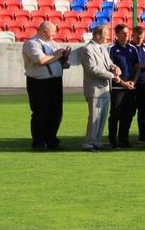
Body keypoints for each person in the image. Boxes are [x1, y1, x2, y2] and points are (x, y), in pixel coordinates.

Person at [22, 21, 70, 152]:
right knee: (40, 113)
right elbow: (41, 60)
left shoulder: (53, 43)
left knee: (56, 113)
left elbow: (57, 57)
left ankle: (52, 141)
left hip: (55, 81)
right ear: (44, 31)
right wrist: (58, 54)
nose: (55, 34)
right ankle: (38, 143)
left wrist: (63, 56)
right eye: (53, 31)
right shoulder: (31, 44)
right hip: (39, 82)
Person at [81, 24, 122, 152]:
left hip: (104, 89)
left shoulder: (102, 49)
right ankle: (89, 143)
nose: (108, 37)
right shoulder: (88, 49)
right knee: (94, 117)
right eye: (105, 34)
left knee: (102, 117)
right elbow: (92, 68)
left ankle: (97, 141)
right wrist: (111, 76)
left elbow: (108, 63)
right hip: (94, 89)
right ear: (98, 35)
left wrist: (115, 67)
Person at [108, 24, 139, 149]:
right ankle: (112, 140)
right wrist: (122, 82)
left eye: (127, 33)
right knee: (115, 114)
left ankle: (124, 139)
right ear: (116, 34)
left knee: (128, 115)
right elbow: (109, 68)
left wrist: (134, 82)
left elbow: (137, 67)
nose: (126, 35)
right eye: (123, 33)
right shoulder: (112, 49)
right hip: (118, 87)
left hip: (131, 87)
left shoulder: (132, 48)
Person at [130, 25, 145, 143]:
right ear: (132, 36)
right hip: (131, 83)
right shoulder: (128, 48)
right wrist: (143, 67)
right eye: (137, 38)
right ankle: (123, 135)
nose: (139, 40)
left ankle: (143, 135)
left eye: (141, 38)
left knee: (144, 112)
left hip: (143, 83)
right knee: (129, 111)